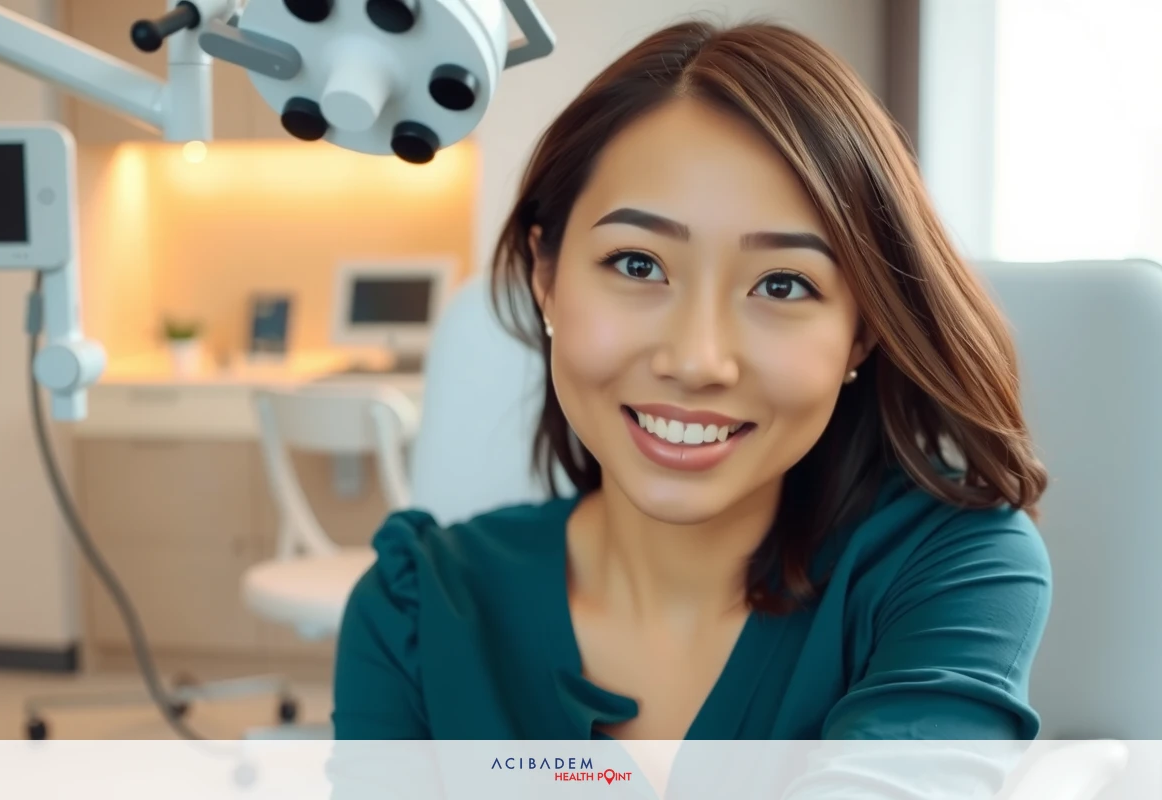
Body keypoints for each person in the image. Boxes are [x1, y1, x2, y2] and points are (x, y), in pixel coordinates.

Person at [332, 19, 1051, 742]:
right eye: (638, 265)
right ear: (545, 277)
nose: (699, 359)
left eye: (781, 284)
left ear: (861, 329)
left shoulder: (949, 573)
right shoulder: (415, 612)